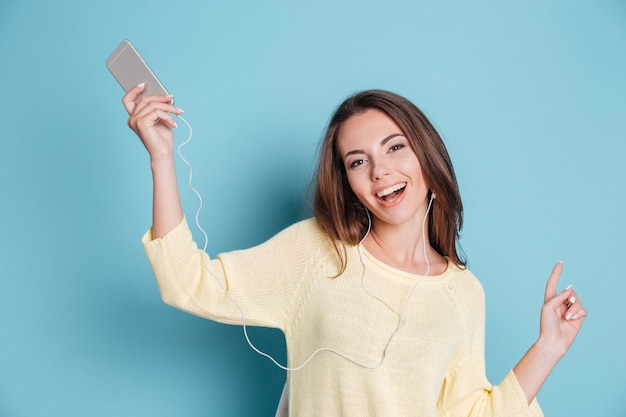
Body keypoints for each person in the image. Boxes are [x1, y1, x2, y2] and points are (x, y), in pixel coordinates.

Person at [122, 85, 587, 416]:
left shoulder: (463, 294)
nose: (380, 172)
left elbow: (471, 415)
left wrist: (548, 347)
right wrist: (162, 157)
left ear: (427, 157)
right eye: (358, 161)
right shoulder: (318, 251)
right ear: (347, 182)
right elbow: (188, 283)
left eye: (395, 148)